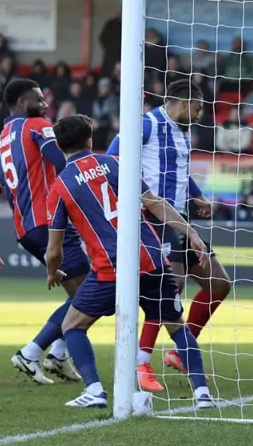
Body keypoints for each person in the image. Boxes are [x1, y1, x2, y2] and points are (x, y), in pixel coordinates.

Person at [46, 114, 215, 409]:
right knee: (177, 326)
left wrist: (52, 271)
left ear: (59, 146)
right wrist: (191, 233)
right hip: (151, 259)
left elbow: (53, 250)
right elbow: (155, 203)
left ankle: (95, 391)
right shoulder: (116, 164)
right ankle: (202, 394)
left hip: (110, 268)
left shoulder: (60, 186)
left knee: (72, 325)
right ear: (89, 141)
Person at [107, 79, 231, 392]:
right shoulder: (146, 124)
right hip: (152, 218)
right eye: (197, 107)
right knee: (170, 287)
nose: (200, 114)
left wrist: (197, 195)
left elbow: (180, 172)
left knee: (218, 283)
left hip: (179, 219)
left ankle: (179, 352)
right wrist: (137, 198)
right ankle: (141, 362)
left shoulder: (183, 132)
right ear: (183, 102)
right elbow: (112, 160)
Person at [0, 78, 90, 385]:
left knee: (82, 294)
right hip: (51, 223)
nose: (45, 105)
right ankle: (31, 352)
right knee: (91, 294)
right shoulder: (36, 126)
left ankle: (58, 355)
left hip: (26, 231)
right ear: (20, 102)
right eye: (39, 100)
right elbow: (64, 162)